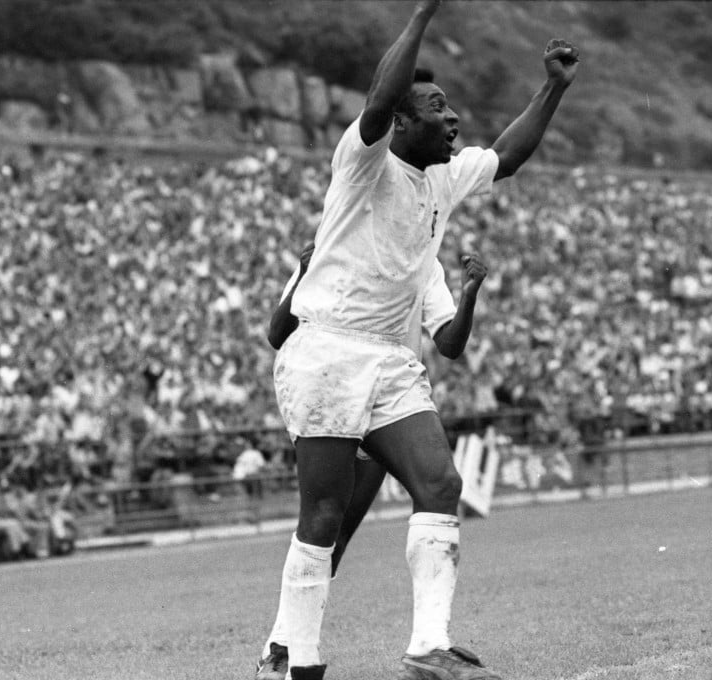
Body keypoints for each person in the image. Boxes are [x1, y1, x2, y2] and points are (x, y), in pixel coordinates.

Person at [254, 1, 579, 678]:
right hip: (327, 351)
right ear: (401, 121)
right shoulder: (364, 162)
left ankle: (429, 646)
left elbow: (509, 155)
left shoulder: (443, 177)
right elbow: (378, 96)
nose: (453, 117)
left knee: (440, 481)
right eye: (437, 106)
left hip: (389, 360)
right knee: (324, 513)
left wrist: (552, 87)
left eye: (452, 106)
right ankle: (295, 662)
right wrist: (425, 12)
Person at [266, 242, 490, 579]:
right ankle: (293, 628)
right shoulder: (330, 245)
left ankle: (427, 630)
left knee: (345, 530)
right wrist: (302, 277)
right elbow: (277, 333)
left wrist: (468, 297)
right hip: (331, 396)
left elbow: (449, 344)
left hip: (384, 403)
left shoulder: (422, 260)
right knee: (323, 524)